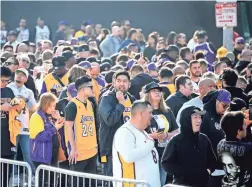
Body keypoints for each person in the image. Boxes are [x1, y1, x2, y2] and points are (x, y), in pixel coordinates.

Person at [162, 106, 217, 187]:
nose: (199, 120)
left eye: (200, 117)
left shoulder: (204, 138)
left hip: (203, 184)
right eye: (195, 117)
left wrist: (207, 172)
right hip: (182, 184)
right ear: (186, 120)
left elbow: (213, 160)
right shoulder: (176, 140)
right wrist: (185, 173)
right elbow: (166, 163)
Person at [113, 100, 161, 187]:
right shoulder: (125, 132)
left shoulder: (142, 131)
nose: (152, 116)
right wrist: (150, 145)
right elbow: (128, 156)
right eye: (149, 113)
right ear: (141, 114)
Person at [99, 70, 135, 177]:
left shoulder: (130, 98)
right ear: (114, 83)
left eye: (124, 81)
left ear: (129, 84)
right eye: (118, 81)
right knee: (112, 178)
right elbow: (110, 121)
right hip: (111, 147)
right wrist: (121, 105)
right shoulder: (107, 98)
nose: (121, 84)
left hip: (128, 145)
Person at [143, 82, 179, 185]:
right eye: (154, 91)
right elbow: (136, 133)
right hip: (148, 153)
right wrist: (151, 136)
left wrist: (167, 135)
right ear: (147, 94)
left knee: (161, 181)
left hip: (164, 152)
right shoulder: (143, 111)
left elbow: (176, 131)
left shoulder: (167, 111)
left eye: (159, 91)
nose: (157, 93)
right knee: (149, 182)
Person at [65, 76, 98, 187]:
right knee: (77, 183)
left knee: (91, 183)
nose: (93, 89)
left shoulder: (91, 104)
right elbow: (69, 128)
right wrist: (73, 148)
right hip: (79, 153)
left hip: (92, 151)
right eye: (90, 87)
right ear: (82, 89)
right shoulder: (72, 106)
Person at [29, 92, 65, 187]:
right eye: (52, 106)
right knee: (43, 182)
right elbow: (40, 137)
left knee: (53, 181)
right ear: (46, 105)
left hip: (52, 154)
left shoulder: (49, 116)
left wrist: (58, 119)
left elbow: (60, 132)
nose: (54, 108)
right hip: (41, 155)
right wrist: (55, 128)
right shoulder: (36, 117)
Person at [7, 68, 36, 181]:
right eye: (18, 73)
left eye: (22, 75)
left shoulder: (28, 91)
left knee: (27, 153)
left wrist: (26, 100)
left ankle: (33, 175)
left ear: (26, 78)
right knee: (13, 153)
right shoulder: (7, 88)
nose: (19, 76)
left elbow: (34, 107)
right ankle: (14, 176)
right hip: (11, 126)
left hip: (24, 126)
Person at [201, 89, 231, 186]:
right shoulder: (203, 116)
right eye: (224, 105)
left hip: (223, 167)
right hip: (210, 169)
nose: (226, 109)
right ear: (215, 101)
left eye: (228, 106)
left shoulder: (222, 115)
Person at [217, 111, 252, 187]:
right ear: (238, 131)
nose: (246, 127)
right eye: (244, 125)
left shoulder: (220, 144)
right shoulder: (248, 149)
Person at [0, 66, 15, 187]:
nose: (5, 83)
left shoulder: (9, 91)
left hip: (7, 134)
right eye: (3, 80)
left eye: (7, 81)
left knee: (6, 170)